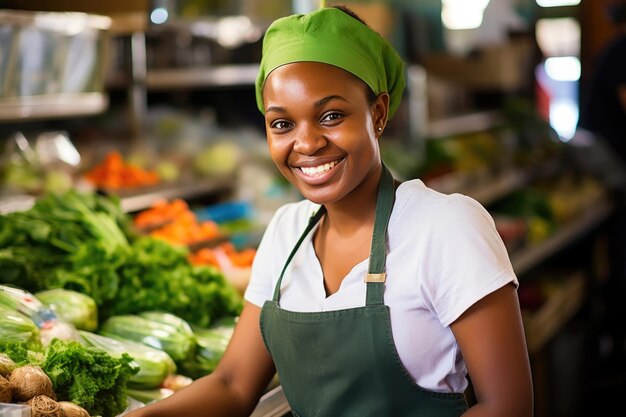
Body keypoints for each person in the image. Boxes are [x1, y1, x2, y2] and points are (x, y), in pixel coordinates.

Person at [125, 5, 533, 417]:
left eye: (331, 116)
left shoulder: (444, 227)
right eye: (282, 124)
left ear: (377, 114)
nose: (307, 143)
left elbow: (508, 406)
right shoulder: (286, 232)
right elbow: (232, 385)